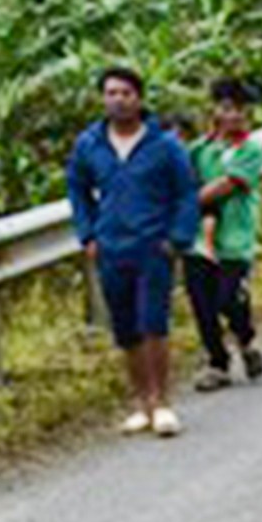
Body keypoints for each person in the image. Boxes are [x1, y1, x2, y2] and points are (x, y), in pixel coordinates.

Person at [64, 64, 200, 438]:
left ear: (139, 98)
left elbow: (186, 192)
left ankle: (162, 402)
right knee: (125, 328)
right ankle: (141, 402)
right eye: (111, 93)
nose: (118, 101)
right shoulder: (90, 144)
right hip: (111, 247)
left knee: (153, 321)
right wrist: (87, 234)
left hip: (152, 245)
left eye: (125, 93)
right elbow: (76, 188)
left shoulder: (164, 145)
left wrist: (178, 237)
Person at [185, 78, 262, 390]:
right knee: (202, 303)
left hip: (235, 239)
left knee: (227, 299)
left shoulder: (251, 151)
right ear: (215, 111)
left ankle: (245, 339)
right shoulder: (199, 150)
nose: (234, 116)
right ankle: (217, 362)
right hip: (196, 239)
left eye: (240, 110)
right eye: (227, 109)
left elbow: (225, 186)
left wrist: (185, 203)